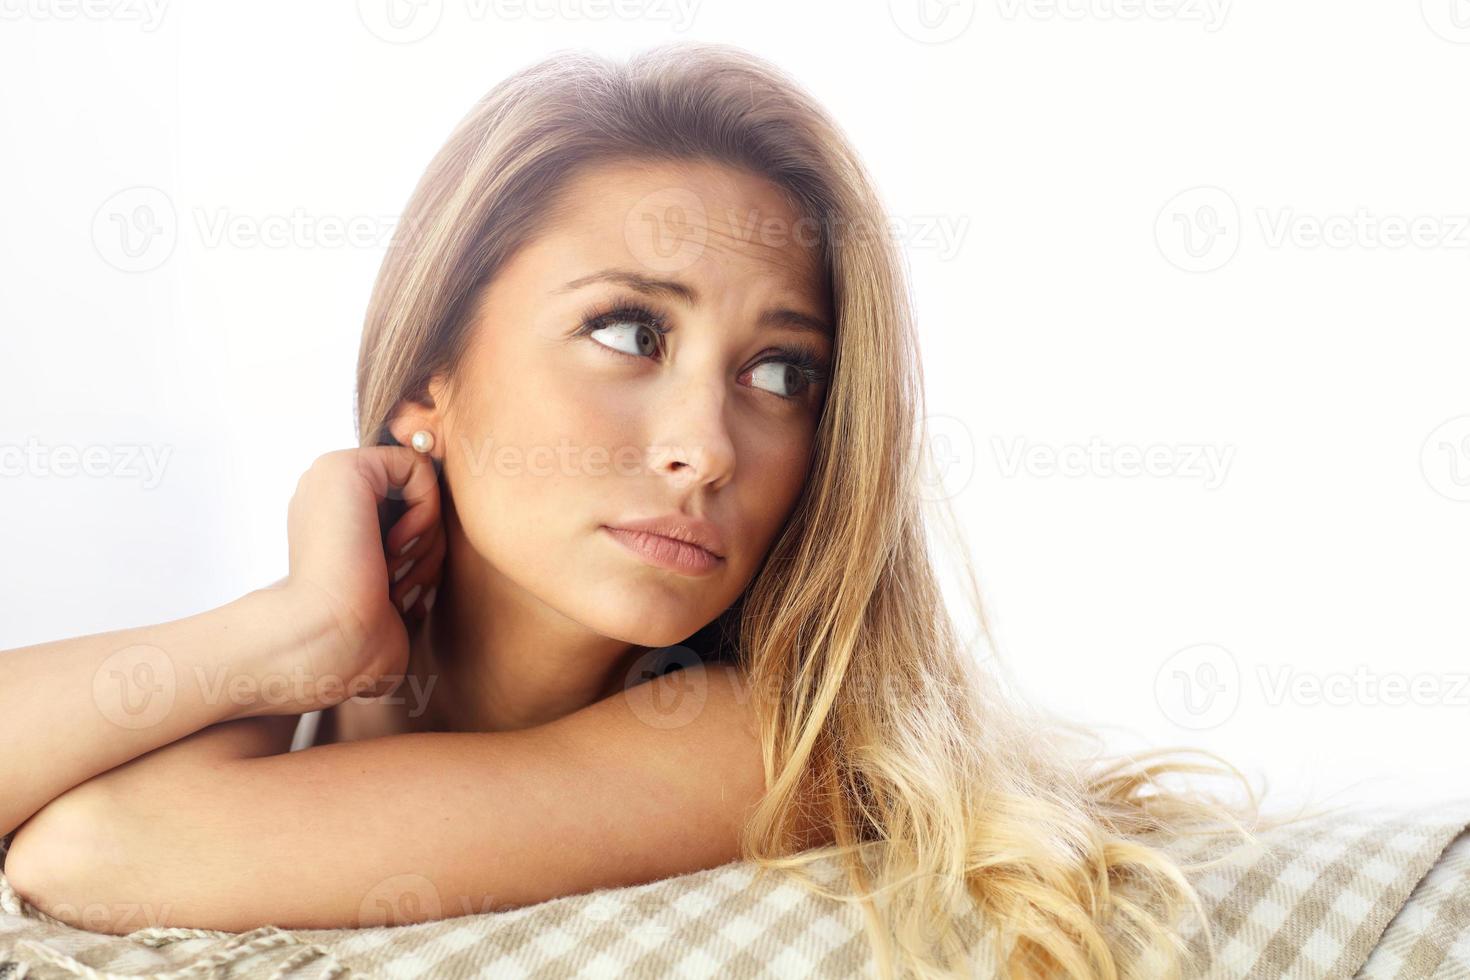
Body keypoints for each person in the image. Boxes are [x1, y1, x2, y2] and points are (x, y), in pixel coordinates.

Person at [0, 42, 1318, 979]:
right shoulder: (294, 684)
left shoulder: (768, 735)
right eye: (629, 332)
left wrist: (291, 639)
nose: (704, 449)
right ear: (430, 382)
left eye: (780, 373)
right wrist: (292, 633)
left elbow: (95, 854)